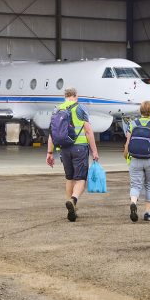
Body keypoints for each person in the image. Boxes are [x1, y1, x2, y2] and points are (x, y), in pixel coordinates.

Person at [46, 87, 100, 222]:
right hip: (80, 148)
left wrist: (49, 152)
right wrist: (94, 151)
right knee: (81, 179)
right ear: (76, 96)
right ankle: (73, 200)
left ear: (65, 96)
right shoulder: (80, 108)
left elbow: (52, 134)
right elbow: (88, 131)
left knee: (69, 178)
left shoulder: (57, 109)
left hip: (63, 149)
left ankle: (72, 209)